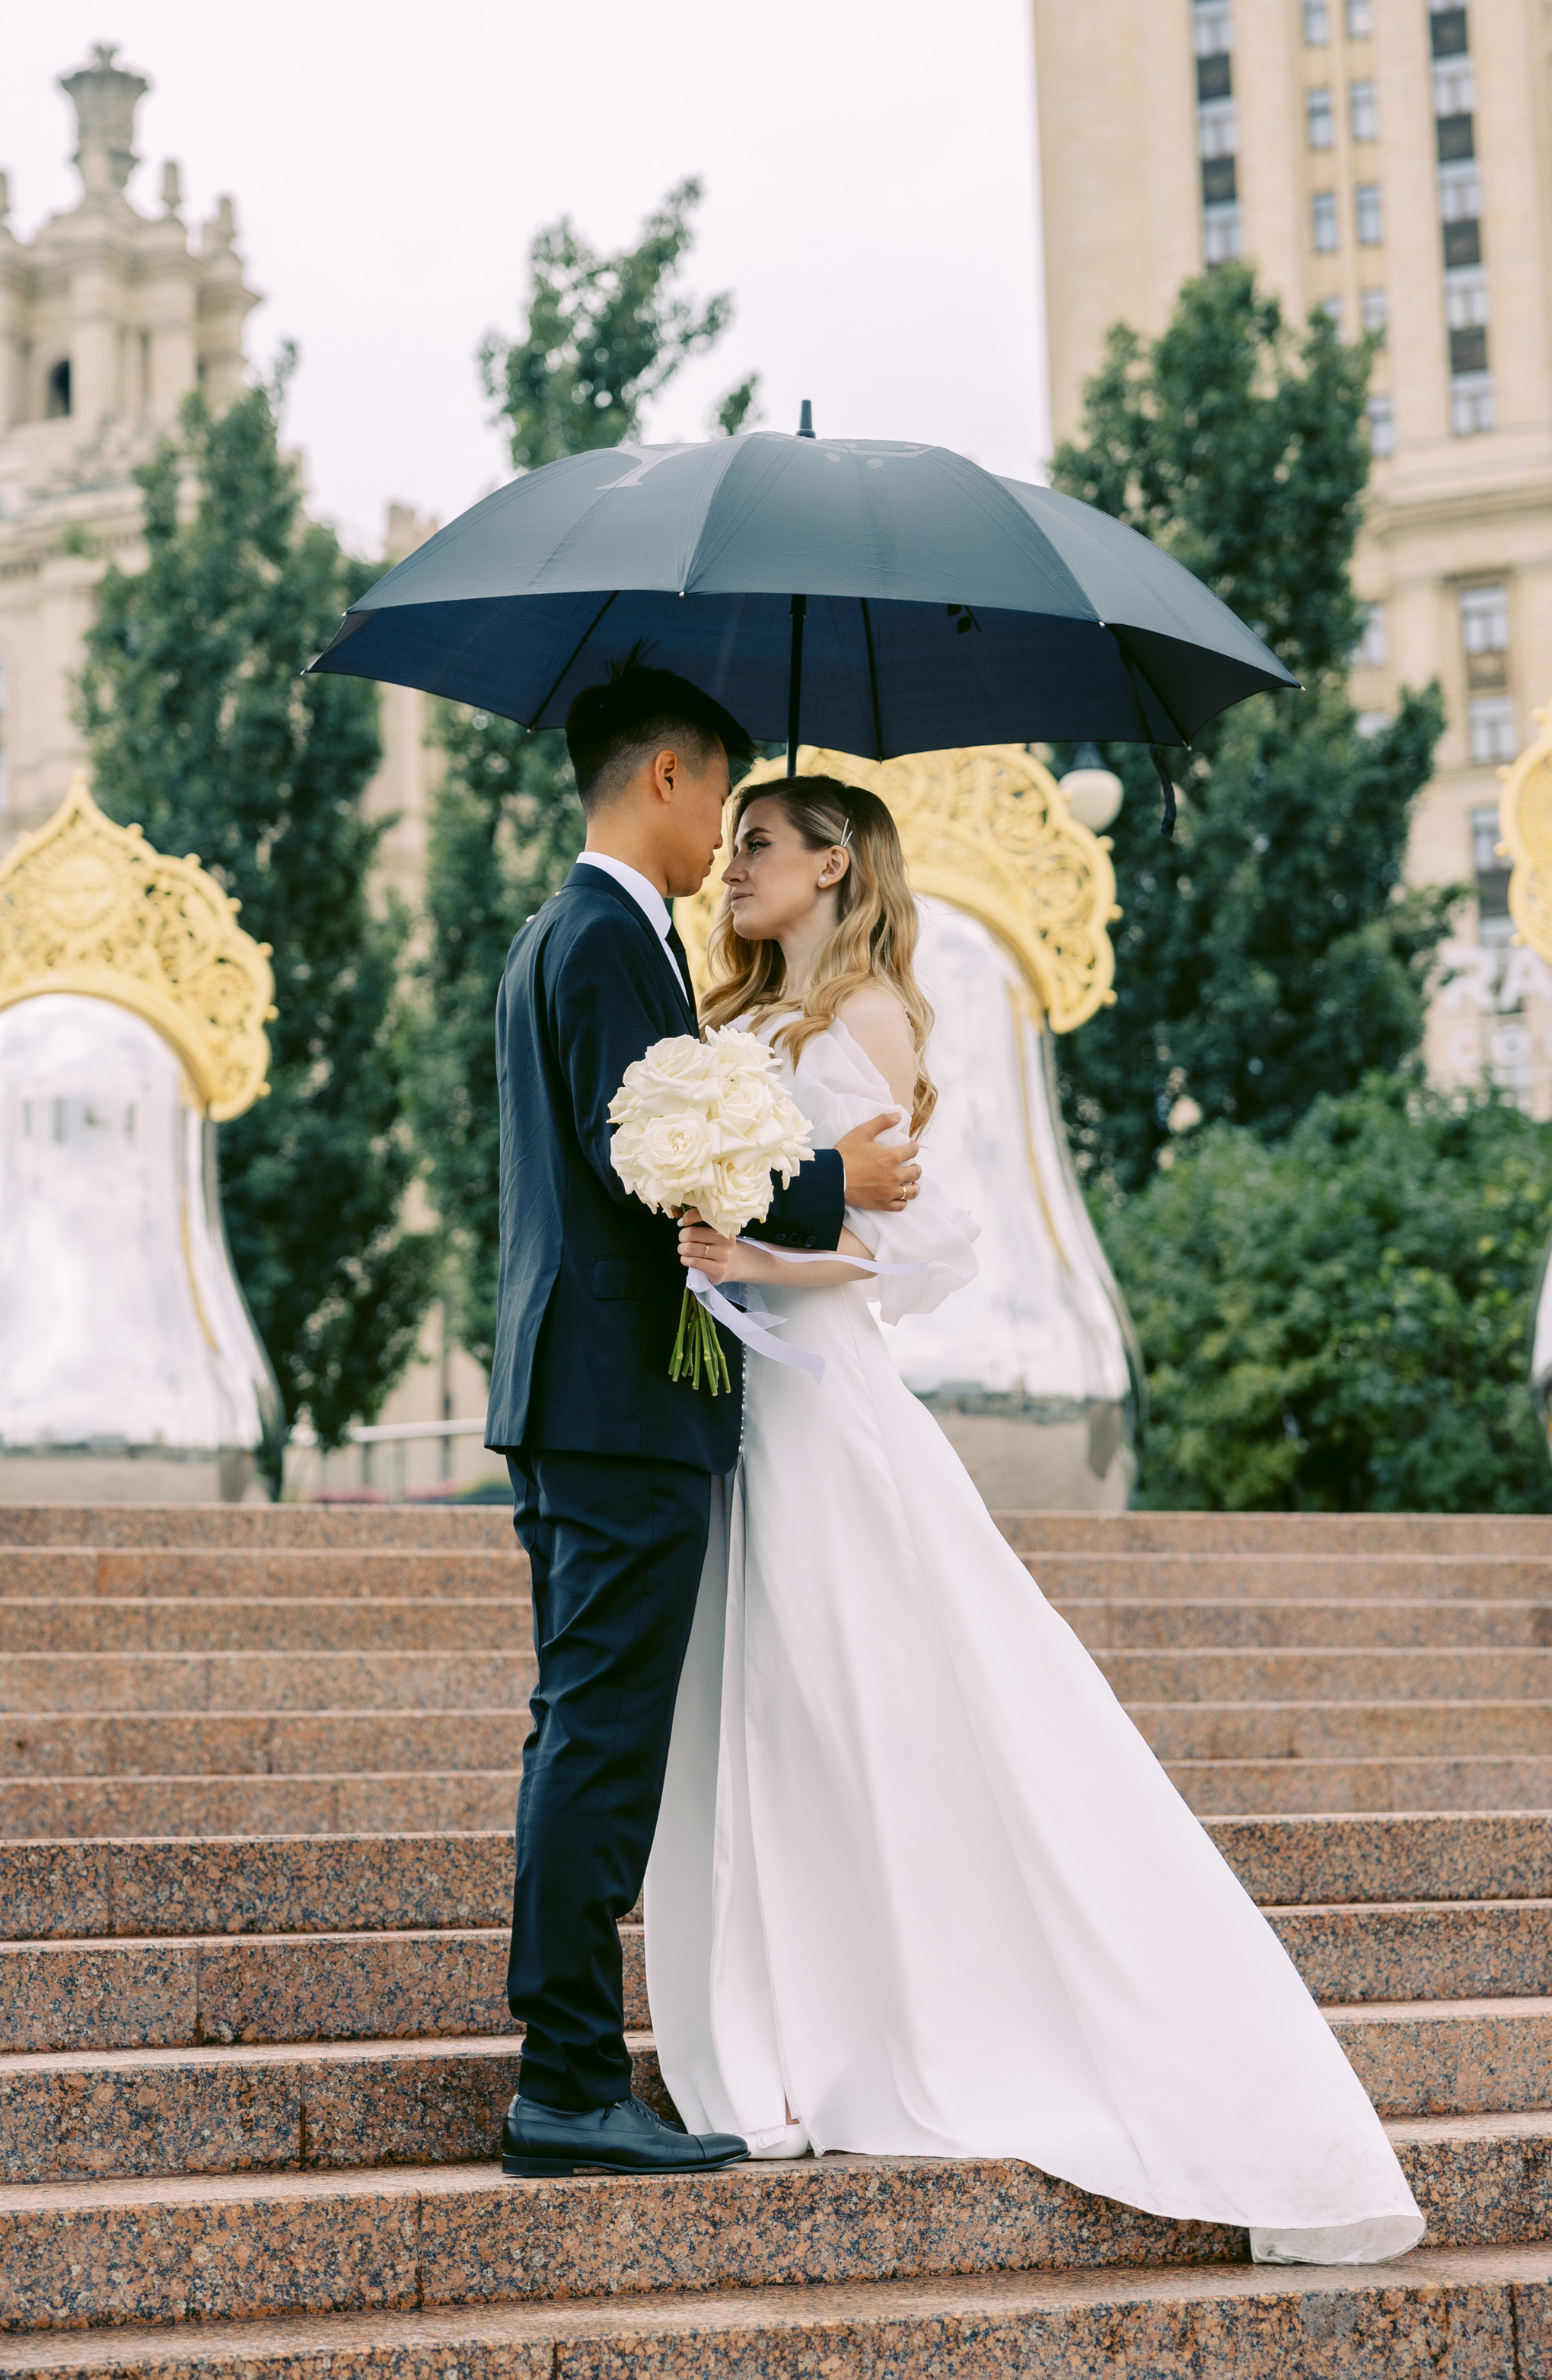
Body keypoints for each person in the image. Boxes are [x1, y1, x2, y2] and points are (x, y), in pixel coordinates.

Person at [642, 775, 1426, 2267]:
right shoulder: (726, 1023)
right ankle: (776, 2035)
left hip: (819, 1409)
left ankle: (907, 2023)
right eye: (729, 840)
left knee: (849, 1702)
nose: (732, 866)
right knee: (759, 1712)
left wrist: (759, 1252)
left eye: (758, 845)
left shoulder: (861, 1017)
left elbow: (924, 1241)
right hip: (731, 1404)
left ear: (830, 865)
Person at [488, 659, 926, 2182]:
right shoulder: (607, 940)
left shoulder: (577, 932)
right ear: (665, 775)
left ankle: (573, 2072)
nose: (723, 844)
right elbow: (651, 1154)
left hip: (588, 1392)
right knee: (600, 1736)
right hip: (614, 1405)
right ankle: (562, 2082)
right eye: (720, 806)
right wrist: (833, 1182)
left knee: (589, 1726)